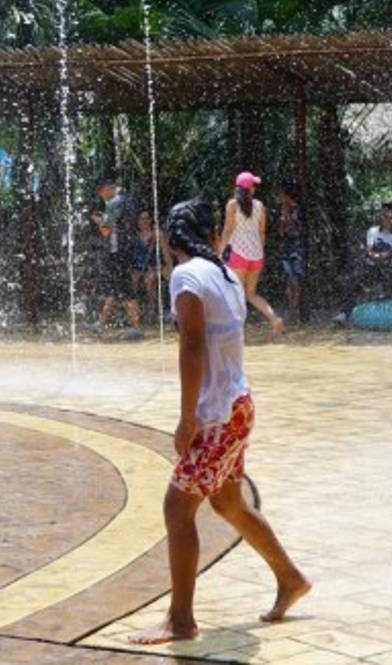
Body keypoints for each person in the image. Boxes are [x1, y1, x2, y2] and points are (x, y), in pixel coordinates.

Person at [130, 199, 310, 645]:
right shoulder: (227, 273)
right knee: (228, 503)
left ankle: (181, 621)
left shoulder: (188, 277)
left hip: (216, 414)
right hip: (238, 404)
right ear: (212, 234)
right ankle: (290, 578)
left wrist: (188, 418)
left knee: (178, 507)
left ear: (172, 240)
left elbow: (192, 347)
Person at [219, 172, 284, 337]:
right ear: (249, 189)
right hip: (256, 256)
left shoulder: (232, 205)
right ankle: (274, 318)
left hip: (239, 254)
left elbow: (227, 231)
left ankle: (235, 332)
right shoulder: (260, 206)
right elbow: (262, 233)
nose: (255, 188)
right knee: (251, 294)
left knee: (236, 293)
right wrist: (259, 253)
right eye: (253, 185)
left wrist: (219, 252)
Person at [91, 179, 142, 335]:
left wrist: (98, 220)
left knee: (125, 290)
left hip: (119, 252)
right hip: (123, 251)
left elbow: (106, 231)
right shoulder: (126, 201)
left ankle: (137, 328)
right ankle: (101, 323)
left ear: (107, 189)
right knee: (114, 289)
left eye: (102, 193)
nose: (102, 197)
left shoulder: (114, 203)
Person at [363, 202, 392, 299]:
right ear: (381, 217)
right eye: (385, 217)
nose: (388, 220)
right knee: (363, 269)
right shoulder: (372, 231)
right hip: (375, 261)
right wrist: (377, 256)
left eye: (391, 218)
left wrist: (389, 254)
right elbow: (369, 251)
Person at [131, 210, 170, 317]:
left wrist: (170, 270)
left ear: (151, 220)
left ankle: (151, 309)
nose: (145, 221)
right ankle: (135, 311)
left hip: (155, 267)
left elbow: (166, 253)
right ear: (137, 221)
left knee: (150, 279)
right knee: (132, 281)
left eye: (147, 218)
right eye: (142, 219)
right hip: (138, 268)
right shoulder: (134, 237)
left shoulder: (157, 235)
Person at [278, 184, 306, 325]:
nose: (280, 198)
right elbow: (281, 232)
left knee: (296, 280)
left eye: (282, 195)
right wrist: (283, 219)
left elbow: (299, 229)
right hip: (286, 248)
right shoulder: (283, 210)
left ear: (287, 196)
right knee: (289, 279)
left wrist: (287, 218)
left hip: (297, 248)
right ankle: (291, 309)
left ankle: (296, 310)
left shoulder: (298, 209)